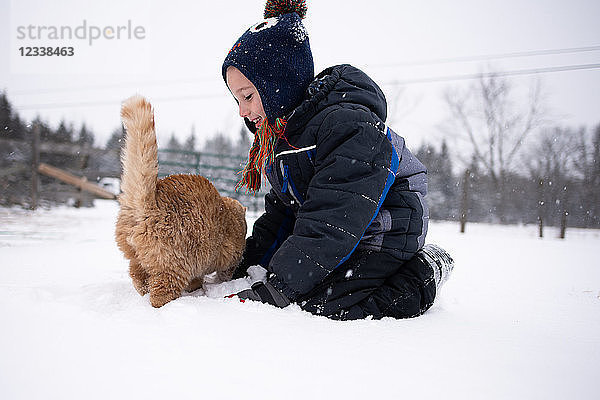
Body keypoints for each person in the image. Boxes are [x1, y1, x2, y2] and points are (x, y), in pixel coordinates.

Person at [222, 0, 453, 320]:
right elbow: (284, 212)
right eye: (237, 100)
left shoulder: (347, 127)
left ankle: (425, 272)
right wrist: (250, 264)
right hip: (341, 231)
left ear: (279, 86)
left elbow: (334, 217)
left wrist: (280, 287)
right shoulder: (283, 140)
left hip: (386, 229)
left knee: (325, 304)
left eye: (248, 96)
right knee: (306, 283)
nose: (242, 111)